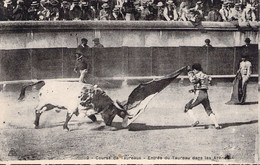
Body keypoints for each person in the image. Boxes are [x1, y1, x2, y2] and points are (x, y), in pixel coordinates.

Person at [185, 63, 222, 129]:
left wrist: (189, 72)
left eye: (194, 70)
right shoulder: (206, 75)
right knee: (208, 110)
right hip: (205, 94)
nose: (193, 71)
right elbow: (209, 83)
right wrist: (194, 90)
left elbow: (192, 80)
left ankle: (195, 120)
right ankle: (217, 125)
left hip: (199, 94)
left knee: (187, 107)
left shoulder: (197, 75)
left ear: (195, 70)